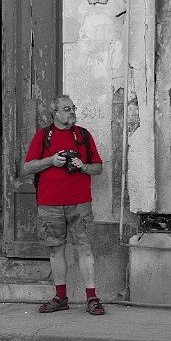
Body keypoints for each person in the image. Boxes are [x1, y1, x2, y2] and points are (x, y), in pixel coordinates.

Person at [22, 94, 105, 315]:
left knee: (85, 249)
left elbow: (98, 167)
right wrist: (51, 161)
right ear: (55, 114)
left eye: (73, 108)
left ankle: (92, 297)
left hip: (79, 203)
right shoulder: (43, 136)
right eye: (66, 109)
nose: (71, 112)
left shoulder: (83, 135)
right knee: (56, 250)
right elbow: (27, 167)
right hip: (49, 203)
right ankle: (61, 297)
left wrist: (83, 166)